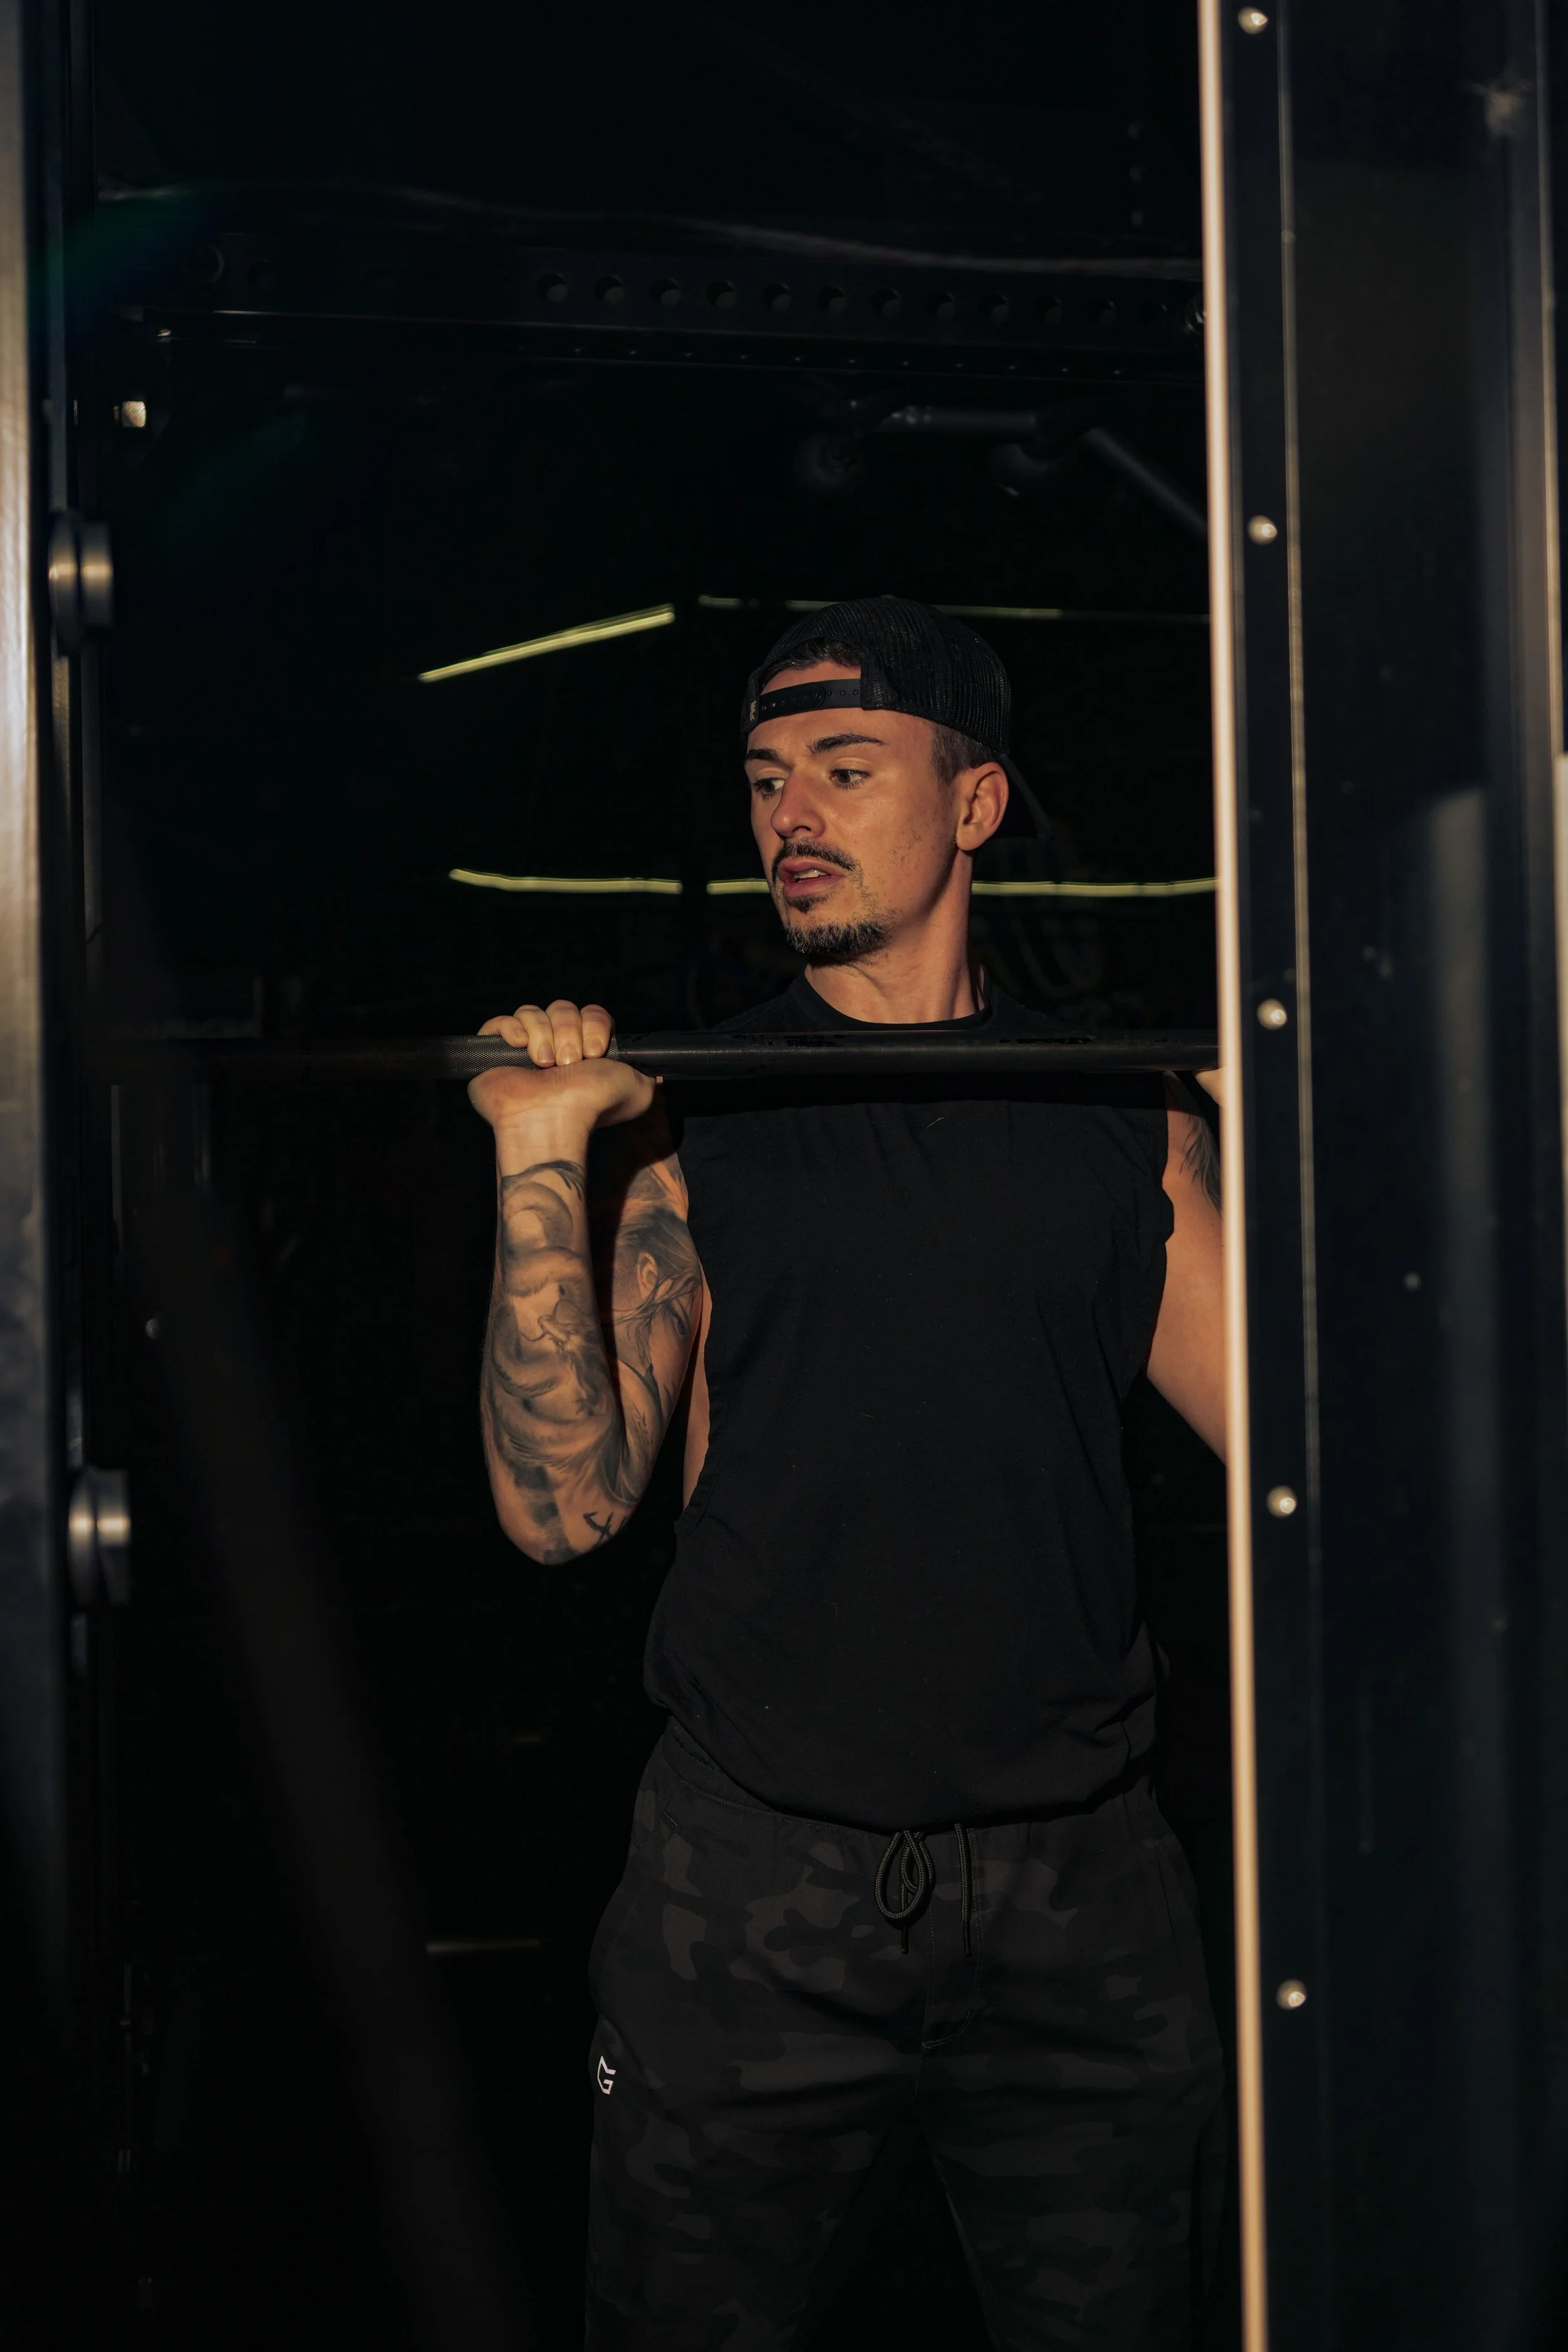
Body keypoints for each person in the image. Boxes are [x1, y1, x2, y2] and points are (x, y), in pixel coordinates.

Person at [468, 597, 1226, 2349]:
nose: (787, 813)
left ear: (972, 804)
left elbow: (1308, 1443)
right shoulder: (698, 1114)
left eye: (843, 765)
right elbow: (558, 1504)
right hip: (751, 1891)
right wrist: (534, 1162)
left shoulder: (1119, 1111)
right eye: (761, 777)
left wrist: (1350, 1125)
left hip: (1077, 1899)